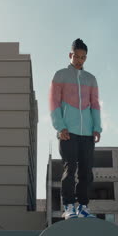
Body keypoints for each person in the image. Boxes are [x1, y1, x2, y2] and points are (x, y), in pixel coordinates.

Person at [49, 38, 102, 219]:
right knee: (70, 169)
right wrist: (60, 126)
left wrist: (97, 127)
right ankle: (69, 206)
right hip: (67, 132)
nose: (80, 60)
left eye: (83, 57)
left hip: (87, 133)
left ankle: (83, 207)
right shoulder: (60, 75)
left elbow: (95, 104)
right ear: (70, 55)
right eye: (77, 56)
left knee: (86, 171)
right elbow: (54, 103)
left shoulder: (91, 79)